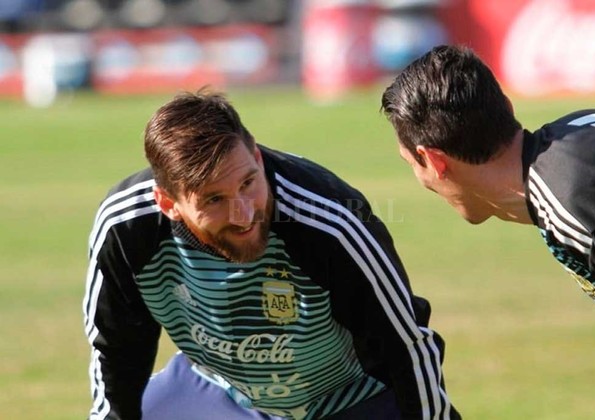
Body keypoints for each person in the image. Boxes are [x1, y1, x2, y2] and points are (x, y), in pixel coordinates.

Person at [82, 87, 461, 420]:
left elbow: (405, 348)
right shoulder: (126, 228)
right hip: (219, 390)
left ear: (257, 158)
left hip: (348, 399)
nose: (244, 214)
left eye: (248, 183)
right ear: (168, 203)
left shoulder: (328, 219)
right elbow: (116, 352)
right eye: (214, 200)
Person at [381, 44, 595, 331]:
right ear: (508, 107)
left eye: (411, 163)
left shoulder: (578, 207)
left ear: (434, 160)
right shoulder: (581, 127)